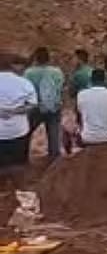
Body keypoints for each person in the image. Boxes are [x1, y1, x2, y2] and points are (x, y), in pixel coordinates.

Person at [0, 53, 38, 184]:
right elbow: (32, 105)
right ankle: (19, 188)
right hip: (18, 130)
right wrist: (14, 111)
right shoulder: (24, 82)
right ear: (11, 66)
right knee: (18, 164)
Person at [25, 47, 64, 160]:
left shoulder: (29, 72)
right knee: (54, 135)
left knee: (27, 132)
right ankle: (54, 160)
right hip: (54, 107)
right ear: (49, 58)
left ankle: (23, 157)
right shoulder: (57, 72)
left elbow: (26, 90)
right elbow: (60, 88)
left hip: (35, 107)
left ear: (36, 58)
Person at [75, 68, 107, 146]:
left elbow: (79, 117)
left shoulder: (81, 94)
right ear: (105, 80)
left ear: (90, 80)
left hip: (87, 137)